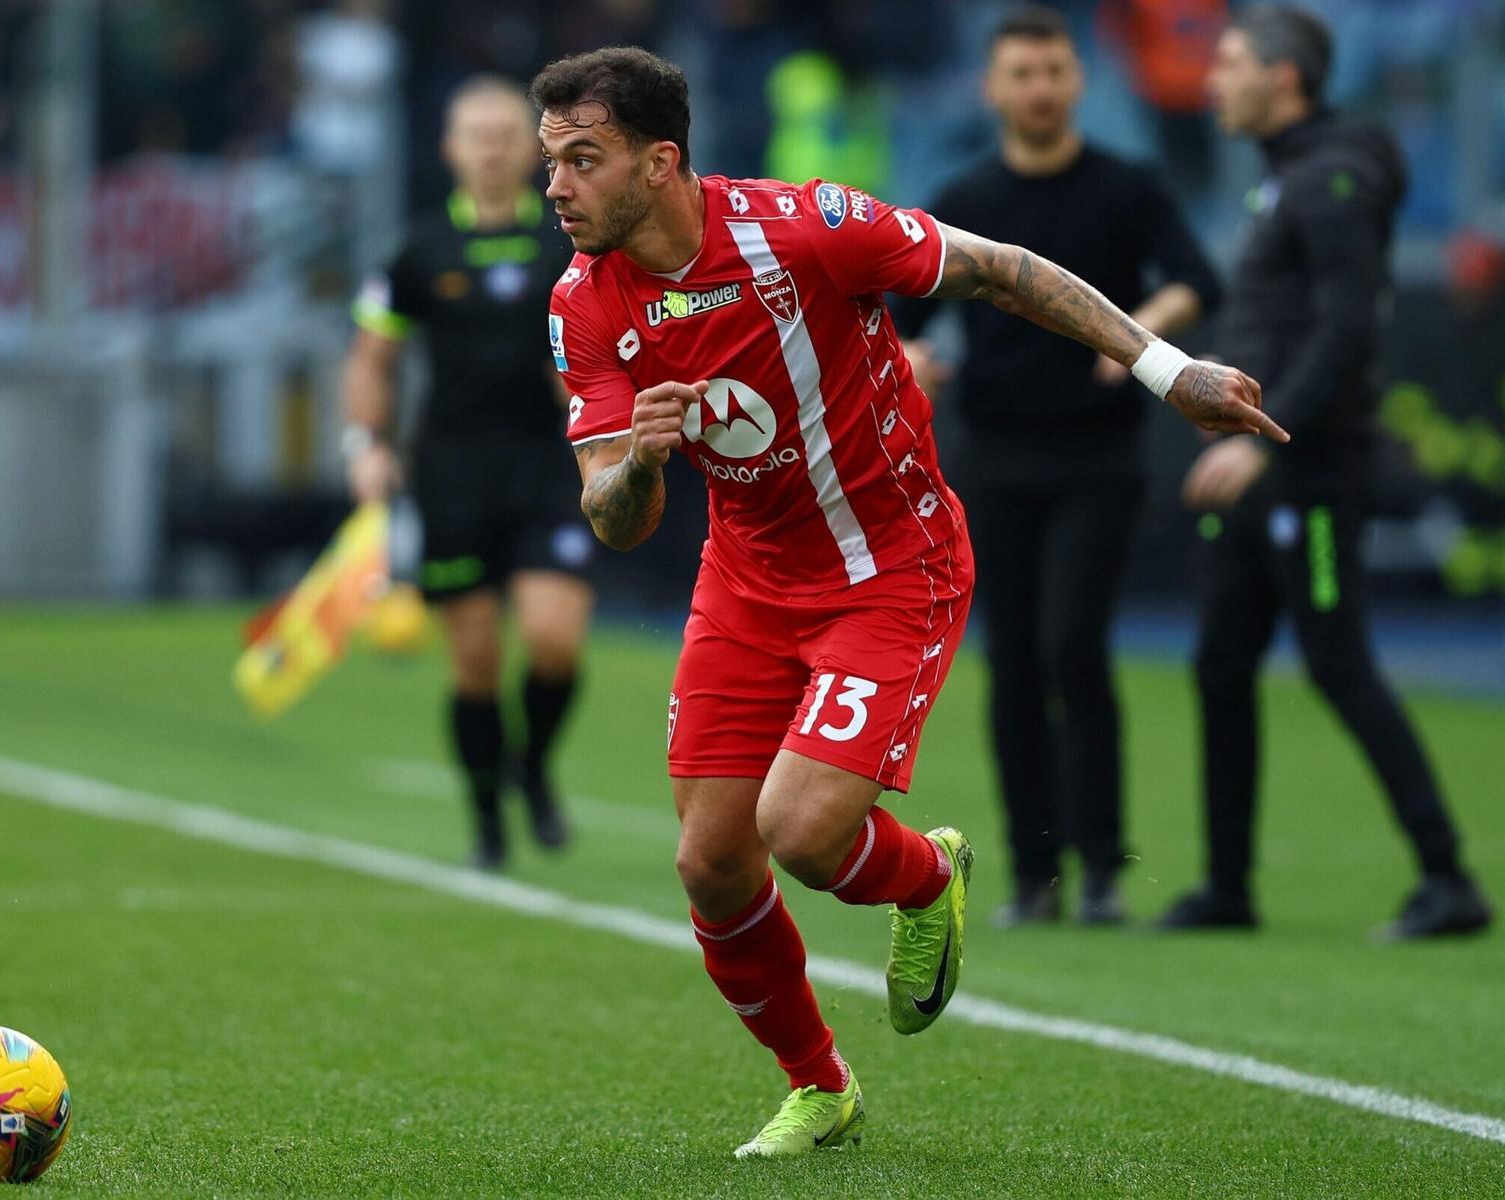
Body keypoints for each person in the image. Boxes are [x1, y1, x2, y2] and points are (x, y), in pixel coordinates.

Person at [535, 46, 1282, 1159]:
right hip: (743, 582)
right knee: (709, 861)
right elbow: (618, 517)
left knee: (799, 834)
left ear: (660, 162)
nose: (555, 187)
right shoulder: (581, 304)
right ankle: (820, 1085)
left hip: (891, 566)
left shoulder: (809, 230)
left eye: (582, 160)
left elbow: (1003, 268)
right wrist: (641, 462)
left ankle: (929, 876)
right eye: (552, 161)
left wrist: (1172, 374)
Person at [1162, 6, 1492, 939]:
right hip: (1262, 473)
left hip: (1308, 474)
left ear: (1286, 79)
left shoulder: (1332, 177)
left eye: (1230, 63)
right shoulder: (1290, 177)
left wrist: (1256, 438)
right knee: (1220, 665)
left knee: (1339, 667)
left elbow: (1348, 328)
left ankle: (1449, 879)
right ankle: (1227, 888)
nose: (1213, 80)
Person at [890, 5, 1221, 927]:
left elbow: (1200, 276)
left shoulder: (1128, 187)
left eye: (1053, 72)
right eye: (1021, 74)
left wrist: (1139, 340)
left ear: (1077, 82)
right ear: (994, 89)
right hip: (993, 456)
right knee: (1013, 660)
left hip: (1096, 455)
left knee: (1075, 647)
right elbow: (899, 323)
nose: (1039, 89)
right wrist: (913, 359)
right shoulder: (965, 199)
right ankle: (1037, 877)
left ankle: (1104, 869)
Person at [341, 76, 593, 870]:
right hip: (451, 469)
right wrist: (367, 444)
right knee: (476, 659)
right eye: (475, 134)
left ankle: (534, 765)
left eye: (506, 133)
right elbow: (373, 357)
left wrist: (602, 429)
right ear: (451, 150)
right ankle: (488, 818)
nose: (491, 147)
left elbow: (593, 351)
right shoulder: (418, 250)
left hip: (548, 462)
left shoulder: (569, 242)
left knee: (555, 643)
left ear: (534, 148)